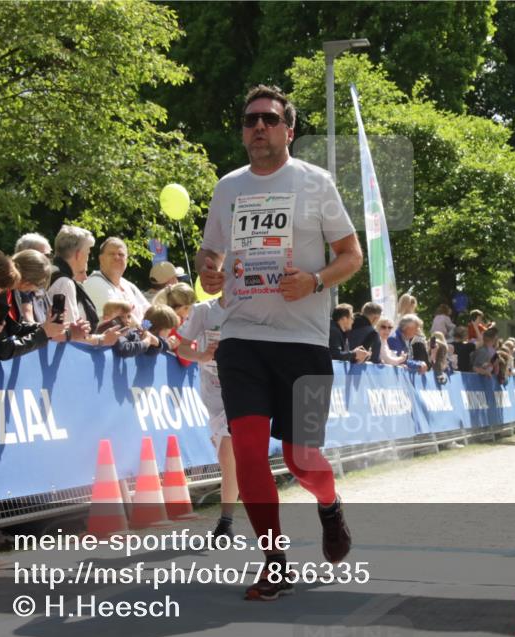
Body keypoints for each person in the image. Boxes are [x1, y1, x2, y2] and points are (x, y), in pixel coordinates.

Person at [197, 84, 362, 601]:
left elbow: (351, 255)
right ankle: (275, 560)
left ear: (289, 130)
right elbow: (209, 261)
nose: (259, 127)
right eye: (250, 121)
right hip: (242, 337)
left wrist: (315, 282)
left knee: (301, 459)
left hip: (306, 344)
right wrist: (211, 273)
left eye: (269, 119)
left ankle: (330, 508)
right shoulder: (228, 187)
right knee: (246, 450)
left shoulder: (315, 183)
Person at [175, 295, 239, 543]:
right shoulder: (203, 310)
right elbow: (182, 347)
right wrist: (201, 356)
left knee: (226, 452)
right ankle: (231, 512)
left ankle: (226, 522)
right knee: (228, 456)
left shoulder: (250, 306)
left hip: (241, 387)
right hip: (212, 393)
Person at [0, 250, 71, 360]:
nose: (35, 290)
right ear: (28, 282)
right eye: (38, 286)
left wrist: (44, 327)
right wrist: (43, 333)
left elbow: (15, 327)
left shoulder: (14, 293)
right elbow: (4, 349)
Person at [48, 225, 118, 346]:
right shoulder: (64, 283)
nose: (88, 259)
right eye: (88, 253)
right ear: (78, 255)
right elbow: (72, 336)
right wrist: (102, 339)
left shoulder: (50, 273)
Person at [83, 237, 150, 321]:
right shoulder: (94, 284)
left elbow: (150, 312)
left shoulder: (128, 285)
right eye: (111, 254)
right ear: (101, 259)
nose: (116, 257)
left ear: (126, 260)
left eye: (121, 254)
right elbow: (119, 322)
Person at [153, 282, 198, 366]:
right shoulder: (173, 324)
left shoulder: (165, 317)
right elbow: (186, 360)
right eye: (192, 307)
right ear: (183, 308)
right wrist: (195, 344)